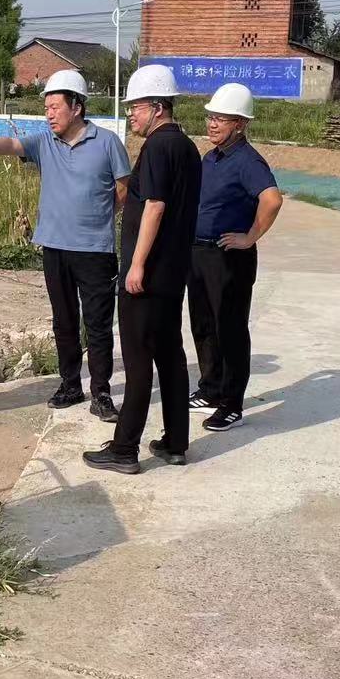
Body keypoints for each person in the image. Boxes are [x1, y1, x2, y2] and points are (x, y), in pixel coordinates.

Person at [0, 69, 129, 422]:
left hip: (95, 250)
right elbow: (10, 146)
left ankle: (101, 393)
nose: (49, 114)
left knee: (97, 324)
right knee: (63, 320)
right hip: (54, 247)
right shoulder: (44, 142)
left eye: (55, 107)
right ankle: (70, 384)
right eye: (46, 108)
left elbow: (123, 189)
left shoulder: (107, 142)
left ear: (77, 107)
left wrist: (98, 214)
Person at [84, 64, 201, 475]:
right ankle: (175, 442)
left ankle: (124, 449)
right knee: (170, 356)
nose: (130, 114)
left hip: (147, 276)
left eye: (135, 107)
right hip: (173, 273)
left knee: (137, 361)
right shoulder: (187, 147)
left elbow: (155, 206)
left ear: (157, 107)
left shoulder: (157, 148)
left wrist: (136, 264)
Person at [189, 84, 283, 432]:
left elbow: (272, 199)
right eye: (211, 117)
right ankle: (210, 388)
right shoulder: (211, 157)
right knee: (203, 325)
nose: (212, 124)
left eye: (221, 118)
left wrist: (250, 237)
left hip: (228, 257)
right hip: (199, 253)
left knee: (229, 329)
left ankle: (231, 403)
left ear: (240, 124)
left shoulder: (248, 161)